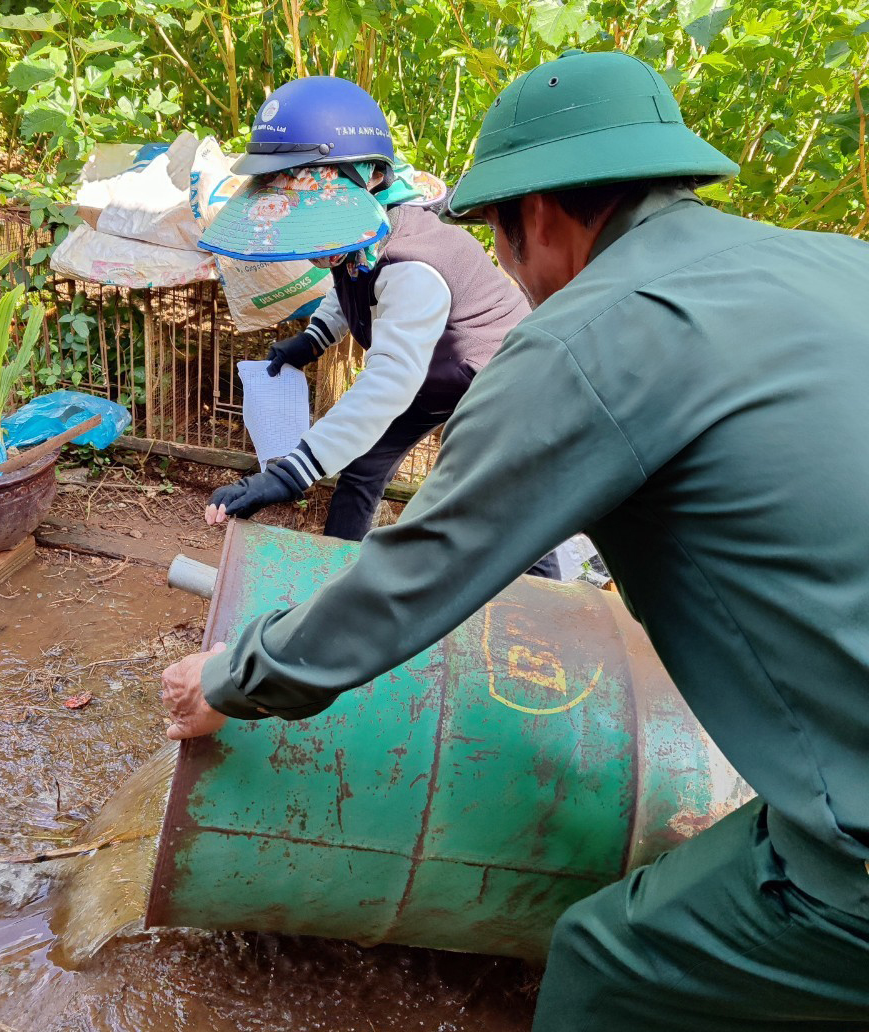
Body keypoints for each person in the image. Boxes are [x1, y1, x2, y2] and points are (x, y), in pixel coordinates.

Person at [163, 49, 869, 1030]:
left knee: (605, 960)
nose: (502, 258)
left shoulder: (586, 333)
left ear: (537, 215)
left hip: (855, 830)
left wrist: (237, 671)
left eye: (498, 233)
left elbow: (422, 568)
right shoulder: (837, 264)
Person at [197, 76, 562, 577]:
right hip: (433, 373)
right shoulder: (364, 238)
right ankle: (334, 580)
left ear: (367, 178)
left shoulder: (415, 263)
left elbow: (389, 381)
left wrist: (289, 474)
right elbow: (352, 289)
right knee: (363, 468)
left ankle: (550, 620)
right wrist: (313, 339)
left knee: (509, 505)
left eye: (319, 218)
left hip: (497, 380)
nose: (313, 244)